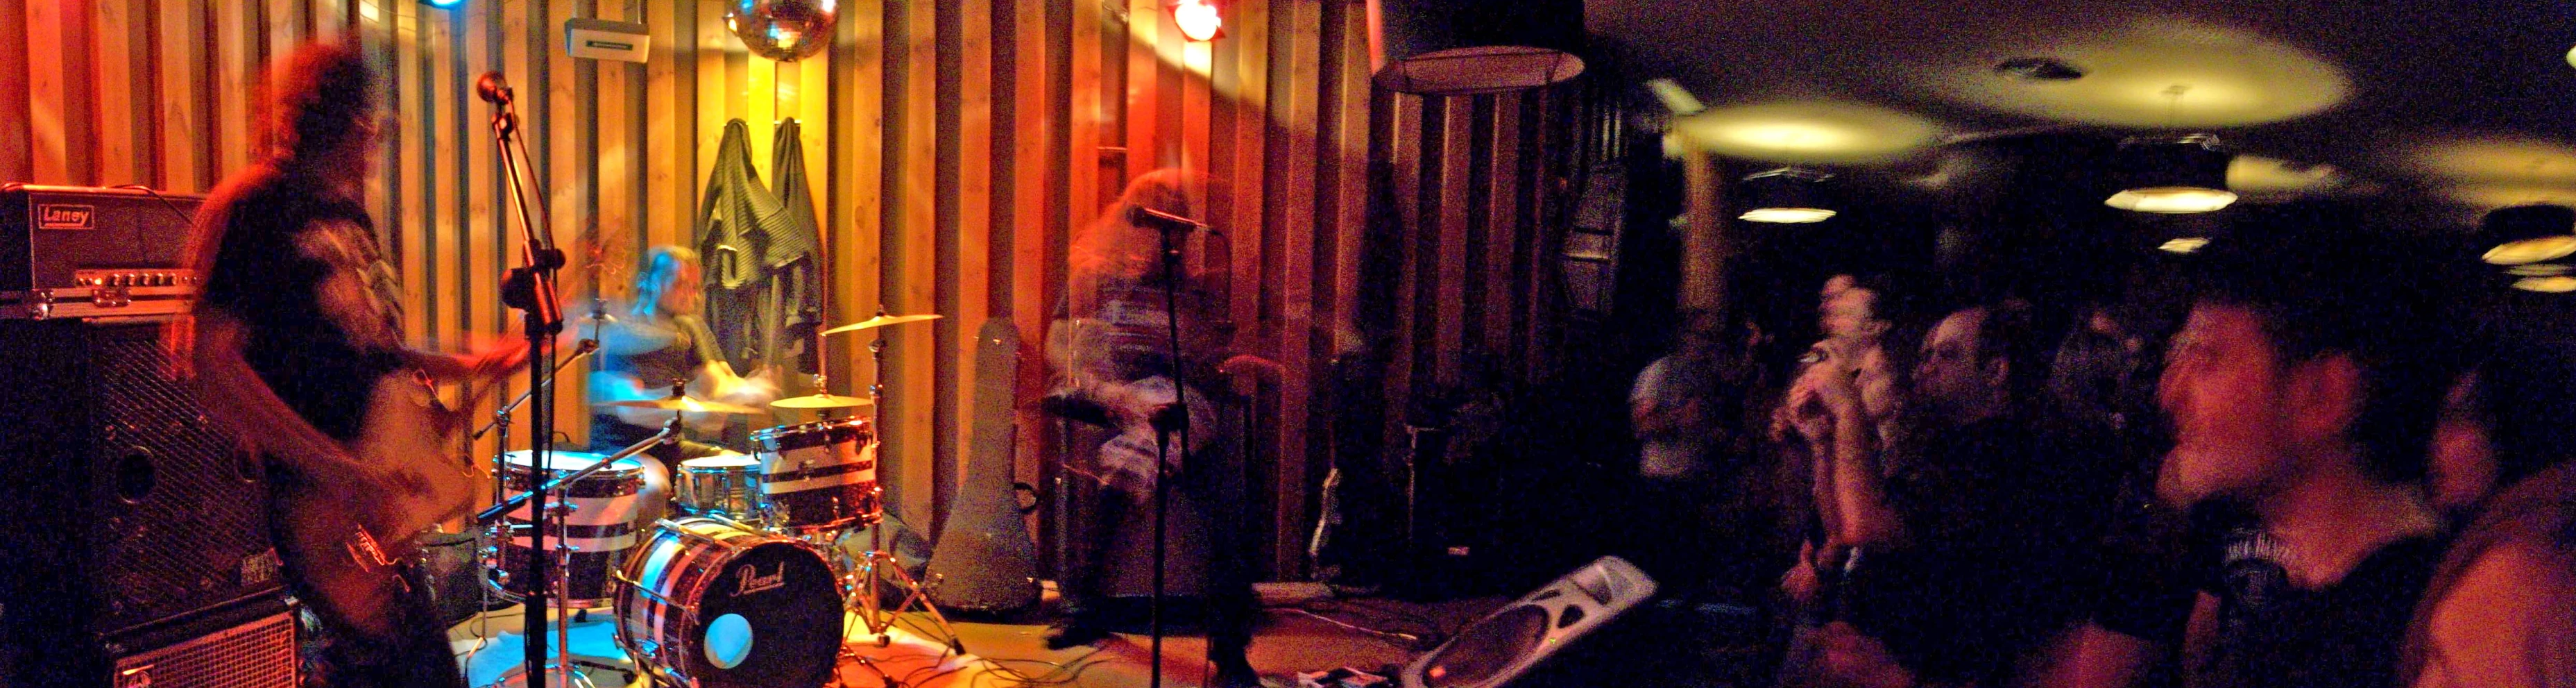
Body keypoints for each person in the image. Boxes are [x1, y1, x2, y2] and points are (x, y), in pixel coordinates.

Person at [173, 42, 515, 687]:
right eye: (368, 124)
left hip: (370, 490)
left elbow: (374, 351)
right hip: (317, 498)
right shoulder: (252, 206)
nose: (375, 142)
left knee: (398, 670)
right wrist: (336, 470)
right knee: (411, 671)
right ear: (335, 123)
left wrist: (470, 365)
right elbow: (210, 362)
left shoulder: (348, 216)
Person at [2151, 206, 2462, 688]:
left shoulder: (2420, 636)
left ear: (2323, 395)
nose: (2169, 393)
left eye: (2207, 357)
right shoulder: (2313, 603)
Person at [1809, 300, 2122, 687]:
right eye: (1925, 355)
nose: (1926, 367)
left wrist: (1848, 411)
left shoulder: (2000, 454)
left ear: (1995, 371)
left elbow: (1867, 528)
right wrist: (1823, 445)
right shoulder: (1941, 448)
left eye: (1947, 355)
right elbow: (1842, 530)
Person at [1042, 169, 1258, 688]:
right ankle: (1088, 609)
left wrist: (1240, 363)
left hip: (1180, 412)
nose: (1166, 233)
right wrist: (1114, 393)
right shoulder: (1097, 277)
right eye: (1152, 212)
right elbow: (1058, 342)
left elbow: (1208, 362)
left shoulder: (1196, 291)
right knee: (1120, 483)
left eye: (1173, 219)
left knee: (1220, 516)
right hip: (1122, 405)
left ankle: (1227, 647)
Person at [2401, 316, 2576, 688]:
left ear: (2514, 427)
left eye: (2458, 422)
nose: (2436, 445)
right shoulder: (2541, 548)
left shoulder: (2514, 575)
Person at [587, 245, 778, 461]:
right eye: (680, 284)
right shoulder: (626, 333)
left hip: (671, 447)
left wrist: (751, 390)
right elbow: (631, 409)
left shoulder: (690, 326)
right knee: (655, 486)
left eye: (695, 287)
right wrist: (693, 409)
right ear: (648, 282)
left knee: (746, 466)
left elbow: (721, 383)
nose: (691, 295)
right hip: (624, 451)